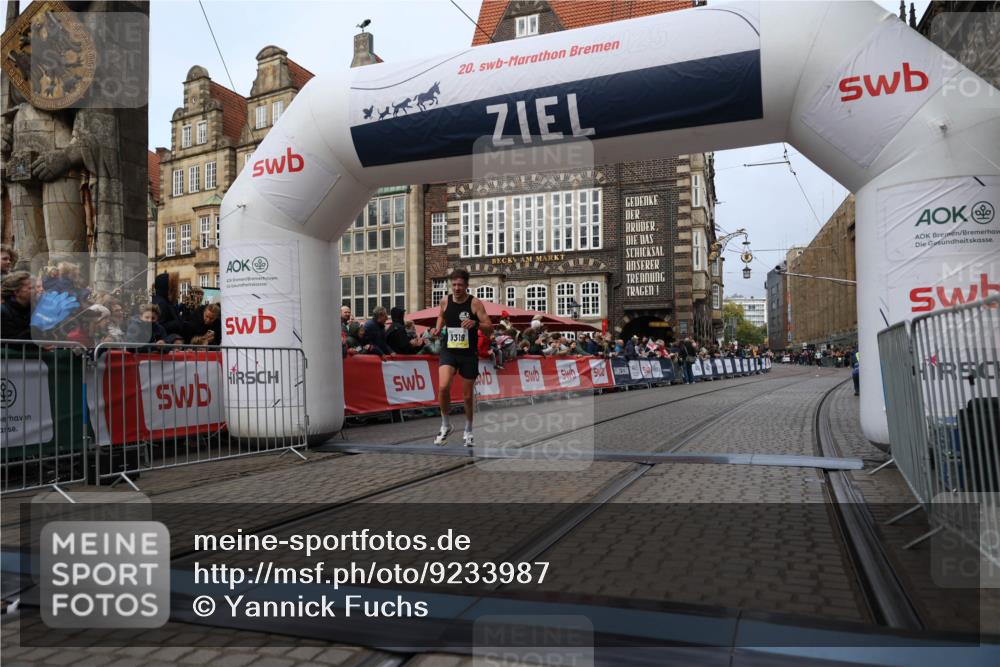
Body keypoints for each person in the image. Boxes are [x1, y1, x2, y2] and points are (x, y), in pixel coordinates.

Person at [430, 268, 492, 447]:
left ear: (466, 286)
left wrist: (476, 323)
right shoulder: (444, 301)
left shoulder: (475, 304)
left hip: (468, 353)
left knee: (467, 396)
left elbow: (490, 328)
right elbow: (441, 316)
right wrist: (437, 328)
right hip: (449, 349)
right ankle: (445, 425)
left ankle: (469, 429)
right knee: (443, 387)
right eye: (454, 285)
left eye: (460, 285)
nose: (457, 288)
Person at [1, 271, 34, 341]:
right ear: (17, 292)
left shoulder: (34, 309)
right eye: (31, 288)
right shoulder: (3, 312)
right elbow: (11, 339)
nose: (36, 290)